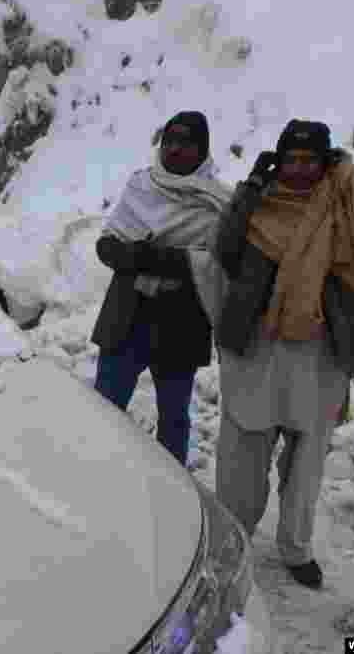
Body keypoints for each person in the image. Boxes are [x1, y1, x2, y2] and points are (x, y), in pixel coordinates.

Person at [213, 120, 354, 589]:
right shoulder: (258, 200)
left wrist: (349, 179)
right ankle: (231, 538)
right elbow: (224, 249)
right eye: (292, 159)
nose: (300, 169)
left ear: (325, 162)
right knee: (242, 452)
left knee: (308, 460)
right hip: (259, 346)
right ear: (280, 159)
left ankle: (296, 548)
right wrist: (248, 191)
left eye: (311, 161)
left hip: (320, 354)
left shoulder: (345, 205)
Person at [90, 111, 232, 465]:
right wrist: (133, 255)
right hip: (127, 317)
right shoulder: (140, 186)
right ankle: (95, 473)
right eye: (169, 141)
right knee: (103, 409)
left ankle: (171, 495)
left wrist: (158, 258)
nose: (174, 149)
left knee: (174, 419)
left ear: (202, 150)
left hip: (180, 322)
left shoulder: (217, 203)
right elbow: (106, 245)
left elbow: (218, 265)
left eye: (185, 143)